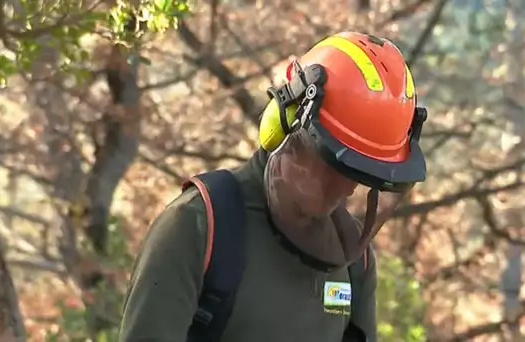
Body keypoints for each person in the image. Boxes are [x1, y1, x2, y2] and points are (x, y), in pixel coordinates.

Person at [119, 31, 428, 342]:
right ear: (282, 125)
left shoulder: (352, 258)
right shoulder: (199, 227)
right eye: (334, 166)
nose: (347, 188)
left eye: (362, 176)